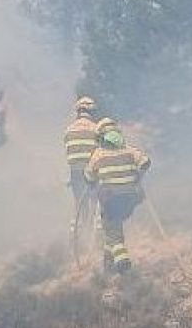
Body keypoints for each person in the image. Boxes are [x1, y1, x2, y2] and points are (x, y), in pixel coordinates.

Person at [83, 119, 151, 274]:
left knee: (113, 232)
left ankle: (122, 260)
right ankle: (108, 260)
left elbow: (89, 176)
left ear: (101, 137)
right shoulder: (129, 150)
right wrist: (136, 177)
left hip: (111, 200)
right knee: (113, 228)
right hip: (130, 198)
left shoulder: (98, 155)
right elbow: (146, 162)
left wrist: (92, 182)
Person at [64, 96, 101, 229]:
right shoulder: (96, 129)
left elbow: (69, 153)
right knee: (97, 200)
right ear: (92, 112)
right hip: (92, 172)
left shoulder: (69, 130)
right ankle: (97, 226)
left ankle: (78, 226)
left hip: (75, 173)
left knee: (79, 202)